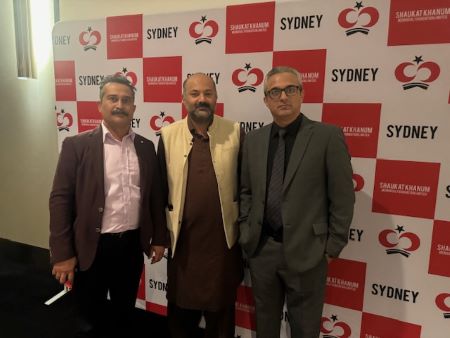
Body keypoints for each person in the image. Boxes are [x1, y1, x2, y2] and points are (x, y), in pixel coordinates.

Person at [239, 66, 355, 338]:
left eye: (290, 89)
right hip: (262, 250)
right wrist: (247, 232)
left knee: (305, 328)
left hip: (308, 252)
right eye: (275, 91)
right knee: (265, 327)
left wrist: (331, 246)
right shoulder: (253, 140)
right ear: (265, 99)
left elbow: (343, 197)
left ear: (302, 94)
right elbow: (246, 191)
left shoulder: (327, 136)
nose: (283, 97)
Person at [49, 74, 167, 338]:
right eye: (112, 98)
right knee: (89, 319)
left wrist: (159, 238)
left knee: (124, 314)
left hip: (131, 246)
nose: (119, 105)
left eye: (126, 100)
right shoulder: (76, 145)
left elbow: (155, 198)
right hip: (92, 248)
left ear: (134, 108)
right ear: (100, 105)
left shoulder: (146, 147)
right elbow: (60, 200)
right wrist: (62, 253)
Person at [157, 73, 244, 338]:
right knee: (181, 321)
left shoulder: (236, 132)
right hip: (184, 246)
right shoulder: (168, 134)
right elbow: (159, 191)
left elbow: (245, 187)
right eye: (195, 94)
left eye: (208, 93)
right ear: (184, 99)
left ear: (216, 98)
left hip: (223, 246)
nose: (202, 99)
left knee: (221, 321)